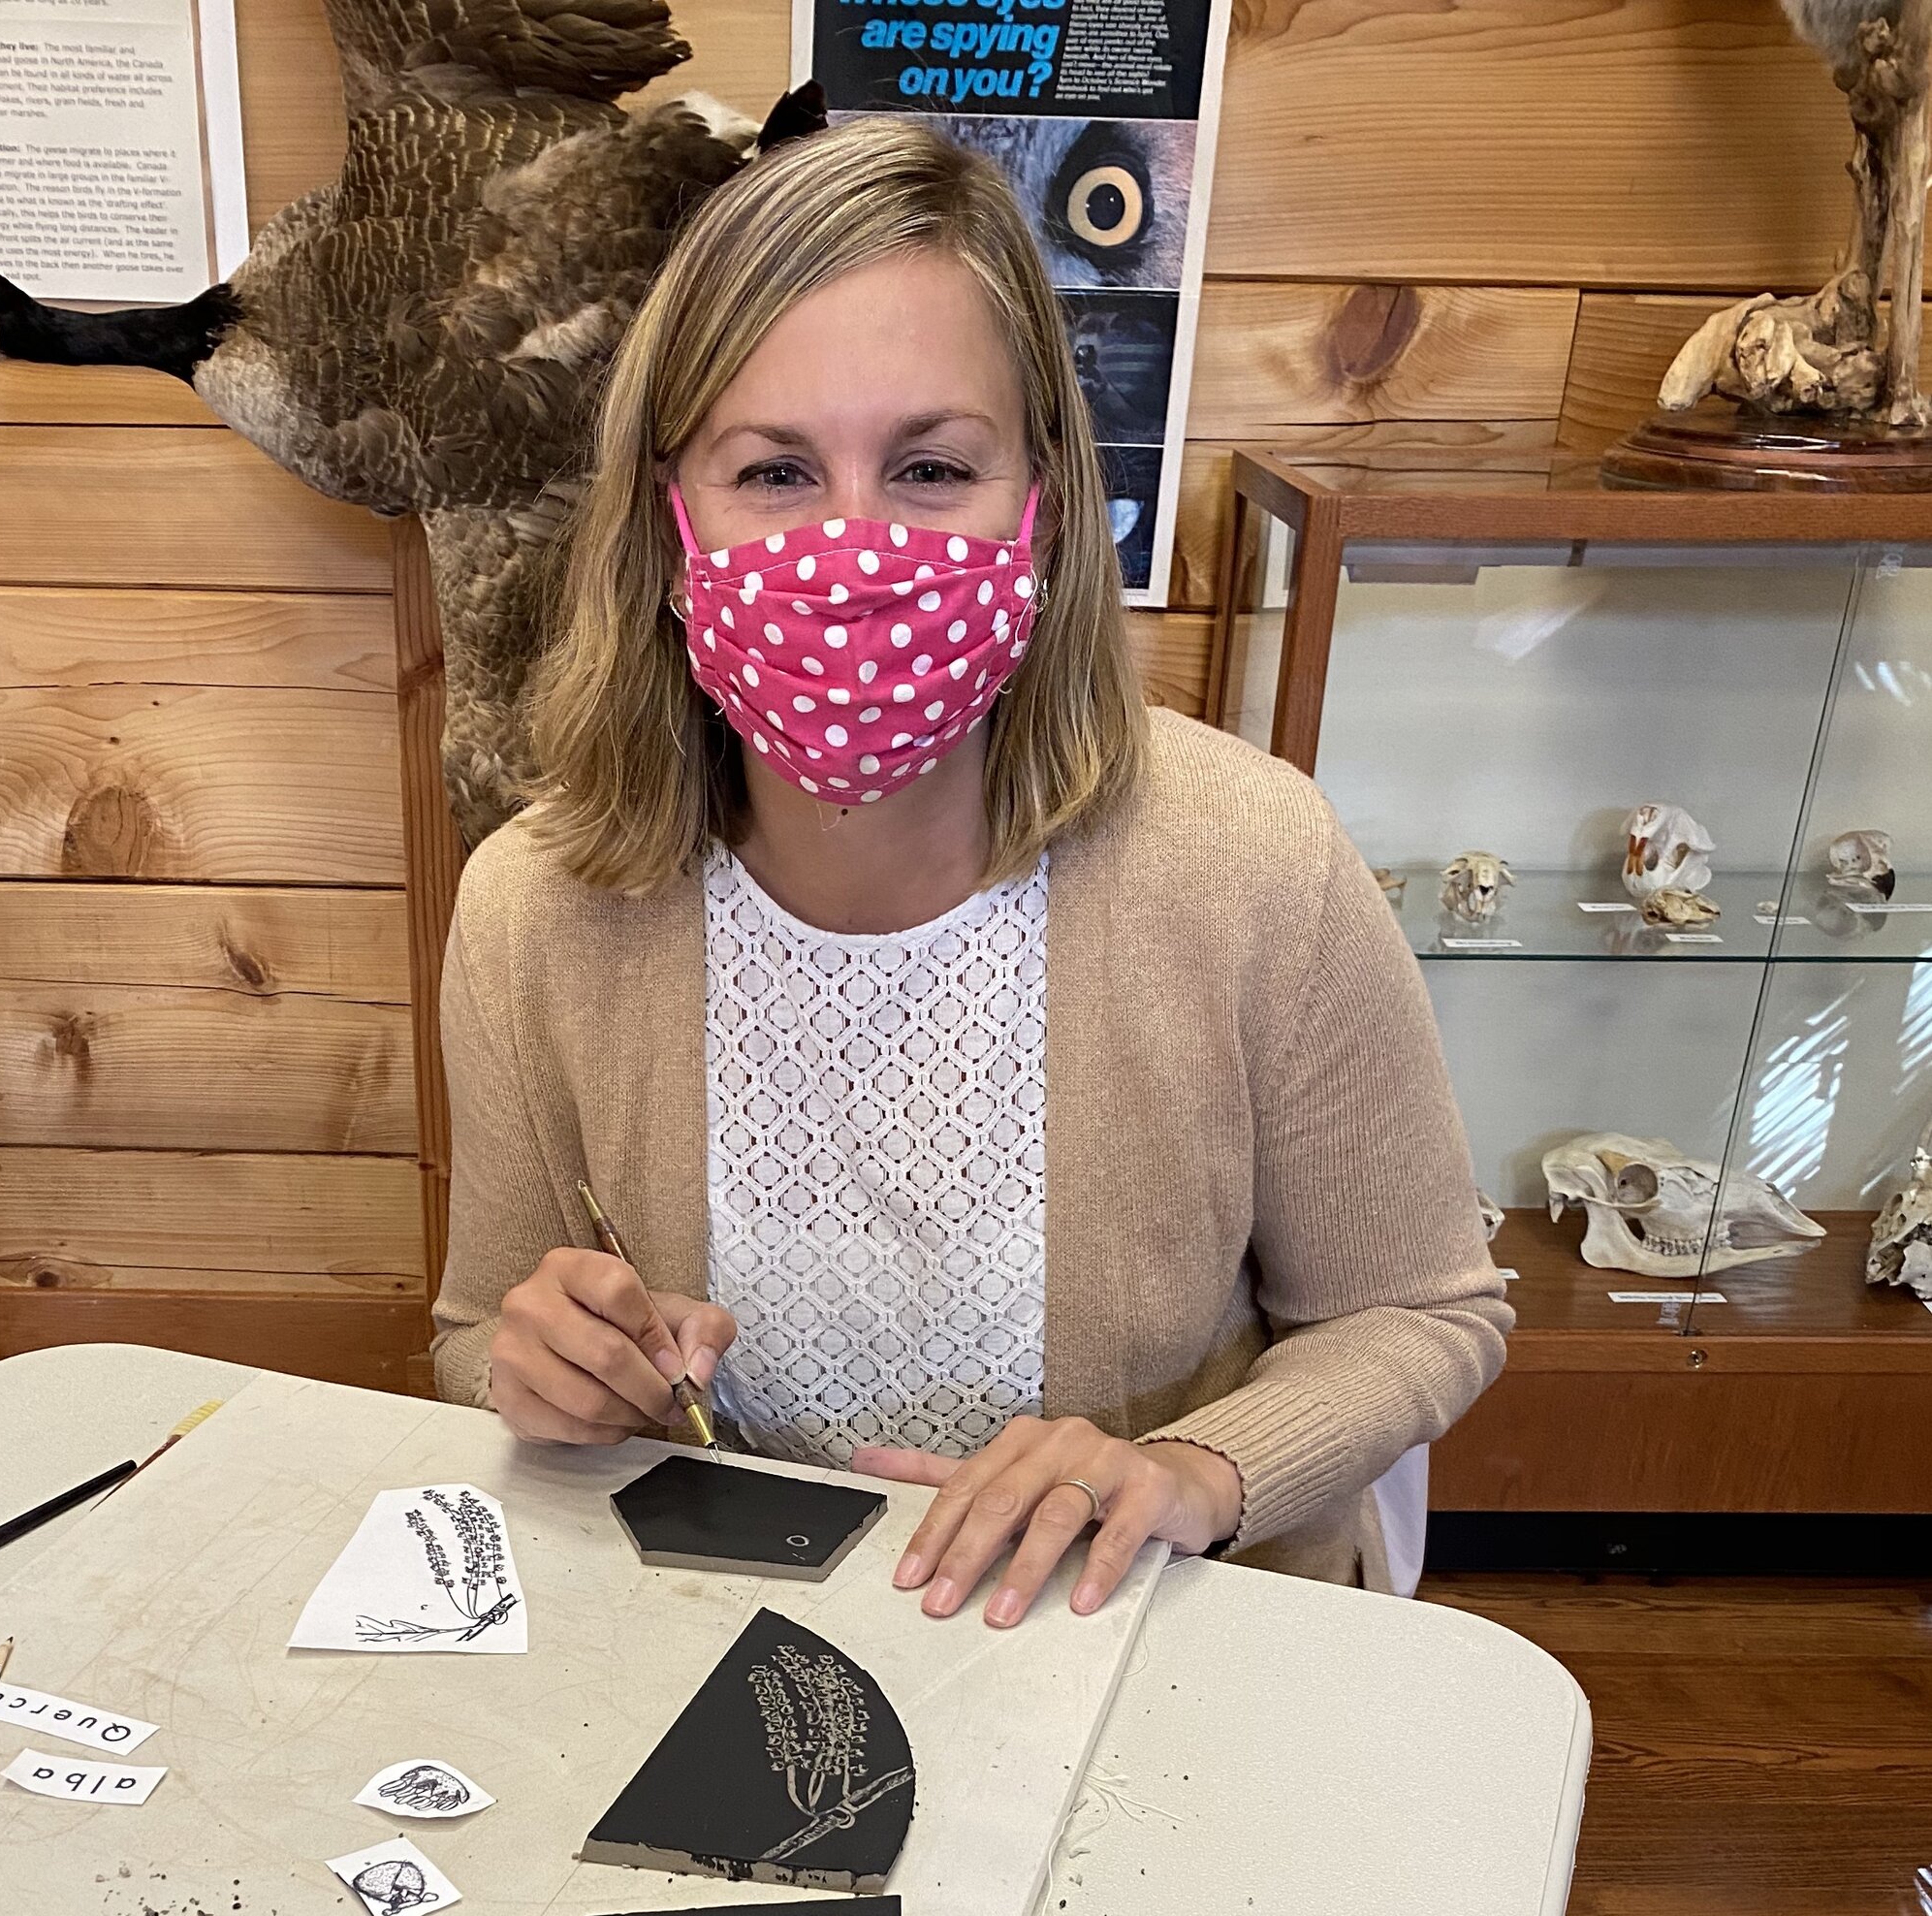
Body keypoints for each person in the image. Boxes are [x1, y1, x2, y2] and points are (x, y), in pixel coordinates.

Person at [428, 117, 1506, 1615]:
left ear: (1041, 513)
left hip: (1149, 1635)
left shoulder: (1254, 863)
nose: (856, 549)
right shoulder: (534, 912)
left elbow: (1421, 1310)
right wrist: (537, 1362)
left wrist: (1193, 1469)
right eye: (775, 471)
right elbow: (479, 1325)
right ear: (670, 533)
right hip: (744, 1629)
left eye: (932, 466)